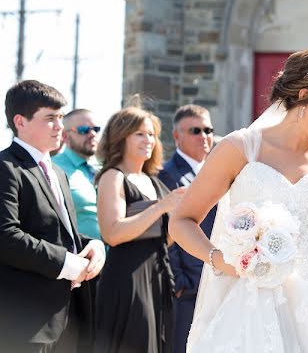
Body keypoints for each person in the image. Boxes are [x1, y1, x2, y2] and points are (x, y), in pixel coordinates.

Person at [169, 47, 308, 352]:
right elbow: (181, 221)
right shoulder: (240, 149)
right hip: (254, 306)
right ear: (304, 96)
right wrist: (219, 259)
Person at [1, 80, 105, 353]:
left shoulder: (57, 173)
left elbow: (58, 232)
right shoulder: (6, 168)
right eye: (50, 118)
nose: (60, 126)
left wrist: (92, 246)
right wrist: (68, 264)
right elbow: (6, 236)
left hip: (69, 316)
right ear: (20, 122)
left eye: (60, 117)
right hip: (25, 323)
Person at [94, 107, 184, 353]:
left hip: (158, 272)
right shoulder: (113, 177)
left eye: (152, 134)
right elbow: (112, 233)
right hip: (126, 278)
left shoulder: (154, 180)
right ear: (121, 137)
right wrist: (161, 206)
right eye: (140, 134)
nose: (149, 141)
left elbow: (166, 240)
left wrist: (184, 214)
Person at [158, 105, 217, 353]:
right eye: (195, 130)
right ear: (176, 136)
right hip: (188, 288)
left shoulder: (219, 171)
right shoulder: (166, 176)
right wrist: (179, 282)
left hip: (218, 279)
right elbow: (164, 231)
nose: (204, 136)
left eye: (208, 129)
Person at [54, 108, 103, 241]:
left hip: (113, 257)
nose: (92, 134)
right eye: (84, 130)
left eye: (96, 129)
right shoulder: (53, 168)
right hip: (78, 255)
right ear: (64, 136)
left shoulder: (106, 169)